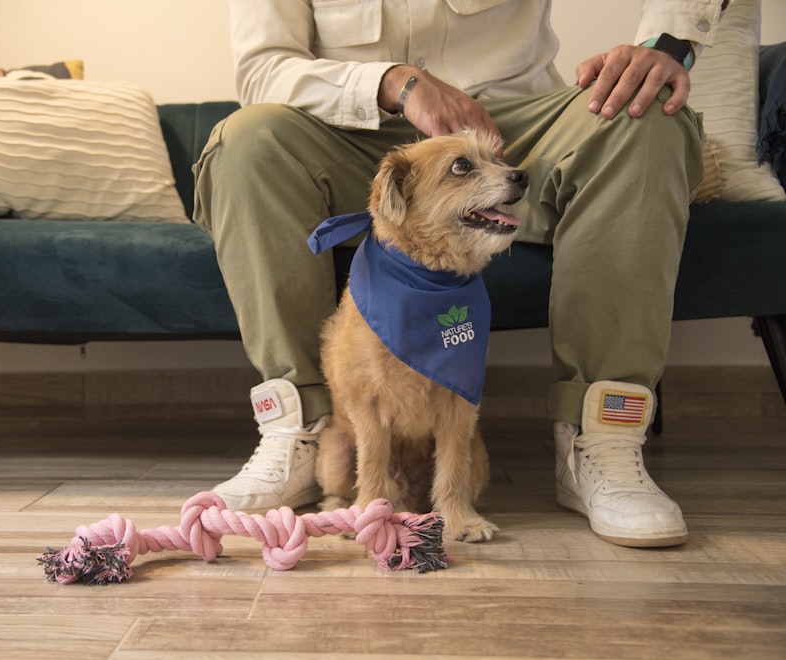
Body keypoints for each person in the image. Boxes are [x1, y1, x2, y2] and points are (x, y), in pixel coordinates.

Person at [193, 0, 726, 548]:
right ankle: (301, 425)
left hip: (513, 127)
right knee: (245, 141)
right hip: (347, 127)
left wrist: (668, 45)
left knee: (646, 114)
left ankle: (603, 433)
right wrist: (394, 83)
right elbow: (263, 70)